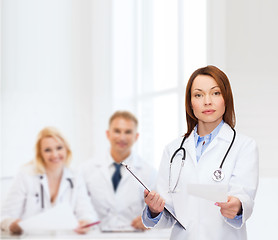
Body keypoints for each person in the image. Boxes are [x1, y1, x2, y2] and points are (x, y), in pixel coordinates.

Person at [142, 65, 259, 240]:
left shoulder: (244, 146)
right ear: (190, 103)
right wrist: (154, 210)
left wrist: (237, 207)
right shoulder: (173, 150)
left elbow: (244, 197)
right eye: (198, 95)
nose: (207, 101)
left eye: (215, 93)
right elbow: (168, 215)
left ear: (226, 98)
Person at [0, 127, 98, 235]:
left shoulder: (75, 177)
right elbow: (5, 217)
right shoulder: (26, 176)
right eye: (47, 150)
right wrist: (13, 224)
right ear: (40, 154)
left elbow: (87, 213)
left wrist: (85, 222)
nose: (55, 154)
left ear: (66, 149)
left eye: (59, 148)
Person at [81, 111, 156, 231]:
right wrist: (84, 220)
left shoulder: (149, 172)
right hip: (96, 236)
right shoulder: (86, 169)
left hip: (132, 236)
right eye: (117, 131)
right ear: (108, 134)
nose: (122, 137)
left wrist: (150, 220)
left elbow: (157, 211)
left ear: (136, 137)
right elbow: (80, 206)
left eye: (128, 132)